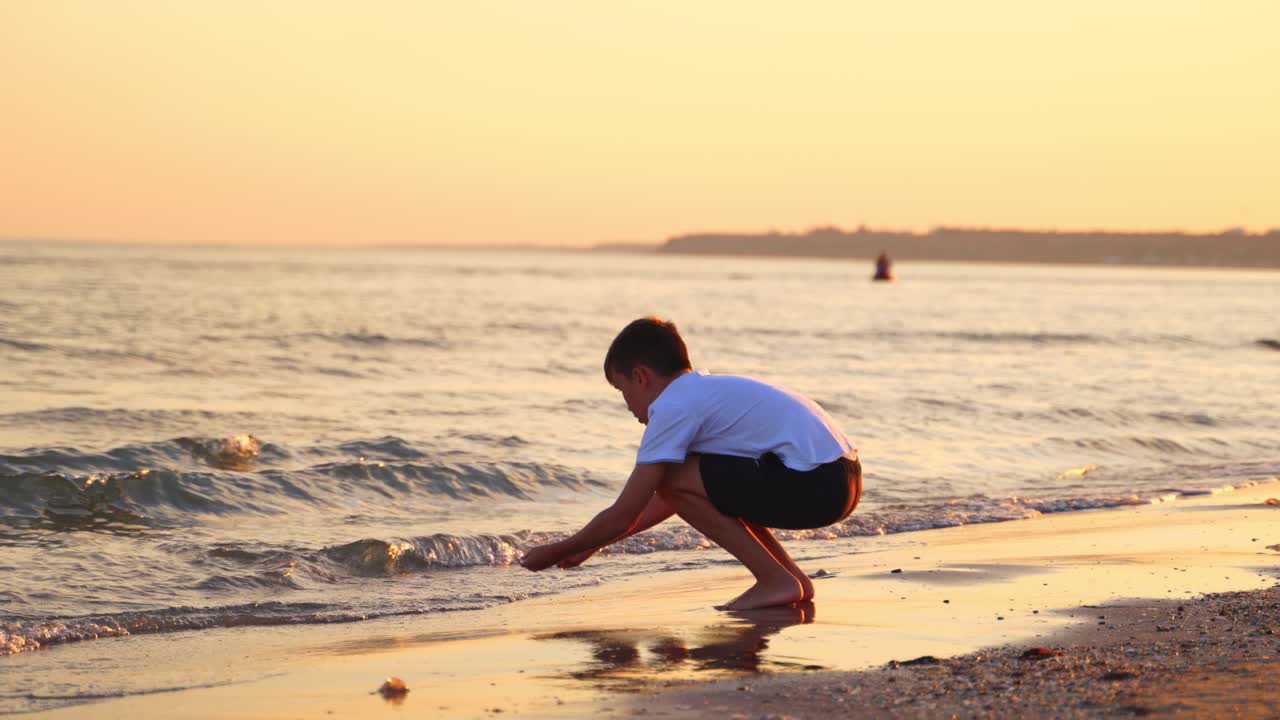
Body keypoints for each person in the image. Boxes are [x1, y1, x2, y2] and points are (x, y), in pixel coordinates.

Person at [520, 317, 861, 610]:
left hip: (817, 483)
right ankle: (789, 580)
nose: (628, 407)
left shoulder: (673, 407)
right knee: (689, 482)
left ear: (640, 377)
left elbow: (631, 508)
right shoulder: (703, 392)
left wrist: (554, 551)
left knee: (672, 477)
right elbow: (674, 497)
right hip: (841, 479)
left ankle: (775, 580)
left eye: (624, 393)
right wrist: (592, 544)